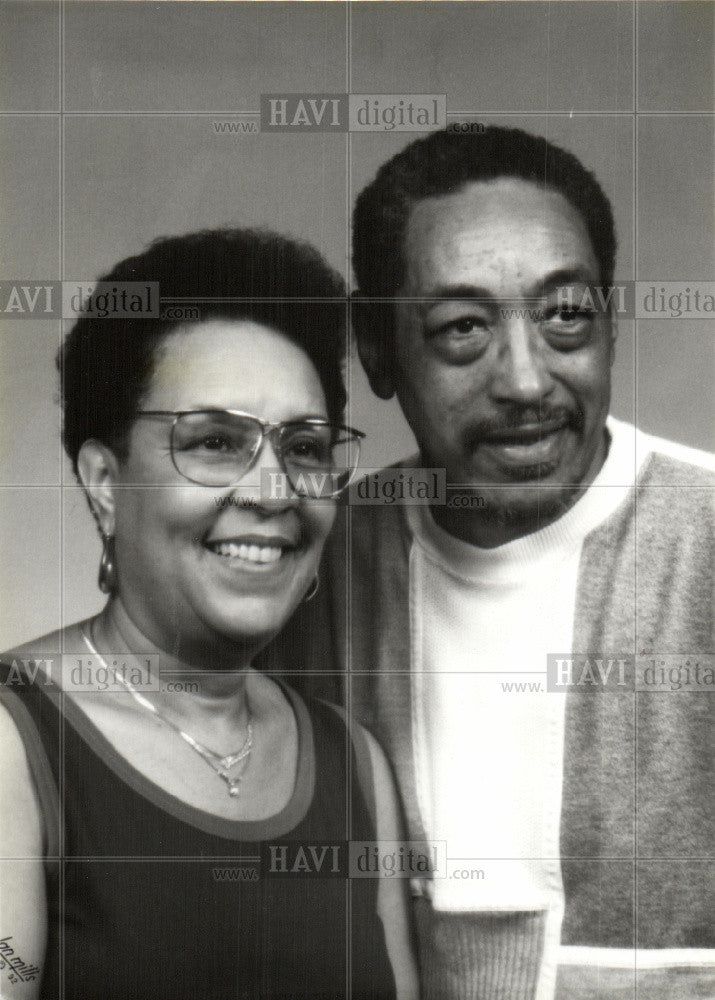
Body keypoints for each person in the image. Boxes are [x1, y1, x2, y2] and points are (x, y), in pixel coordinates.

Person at [263, 127, 714, 999]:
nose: (527, 380)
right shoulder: (310, 565)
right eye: (462, 328)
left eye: (565, 316)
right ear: (378, 348)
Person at [0, 229, 418, 1000]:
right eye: (217, 443)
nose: (272, 492)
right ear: (104, 483)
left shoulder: (354, 765)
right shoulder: (13, 744)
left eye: (304, 447)